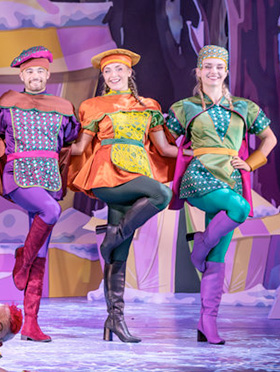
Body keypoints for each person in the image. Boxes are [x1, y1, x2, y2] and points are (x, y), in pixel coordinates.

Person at [165, 45, 275, 345]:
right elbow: (161, 139)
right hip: (199, 176)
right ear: (198, 71)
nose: (213, 71)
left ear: (226, 72)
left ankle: (207, 322)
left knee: (217, 257)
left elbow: (270, 138)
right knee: (240, 209)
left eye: (219, 67)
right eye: (208, 66)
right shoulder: (184, 107)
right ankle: (199, 244)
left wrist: (252, 162)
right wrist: (182, 153)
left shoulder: (245, 107)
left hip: (232, 177)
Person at [69, 49, 177, 343]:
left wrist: (200, 153)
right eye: (107, 71)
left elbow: (164, 149)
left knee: (119, 255)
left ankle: (114, 320)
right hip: (106, 174)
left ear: (130, 72)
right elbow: (79, 148)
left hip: (137, 171)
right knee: (162, 193)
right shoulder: (92, 105)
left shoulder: (148, 106)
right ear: (102, 76)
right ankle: (113, 235)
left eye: (119, 69)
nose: (113, 75)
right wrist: (45, 147)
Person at [0, 46, 80, 342]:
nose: (35, 76)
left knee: (42, 252)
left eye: (40, 71)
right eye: (30, 71)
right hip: (18, 173)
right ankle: (22, 257)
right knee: (51, 211)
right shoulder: (9, 102)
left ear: (48, 75)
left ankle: (31, 323)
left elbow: (69, 138)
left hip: (48, 175)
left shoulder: (62, 106)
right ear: (22, 76)